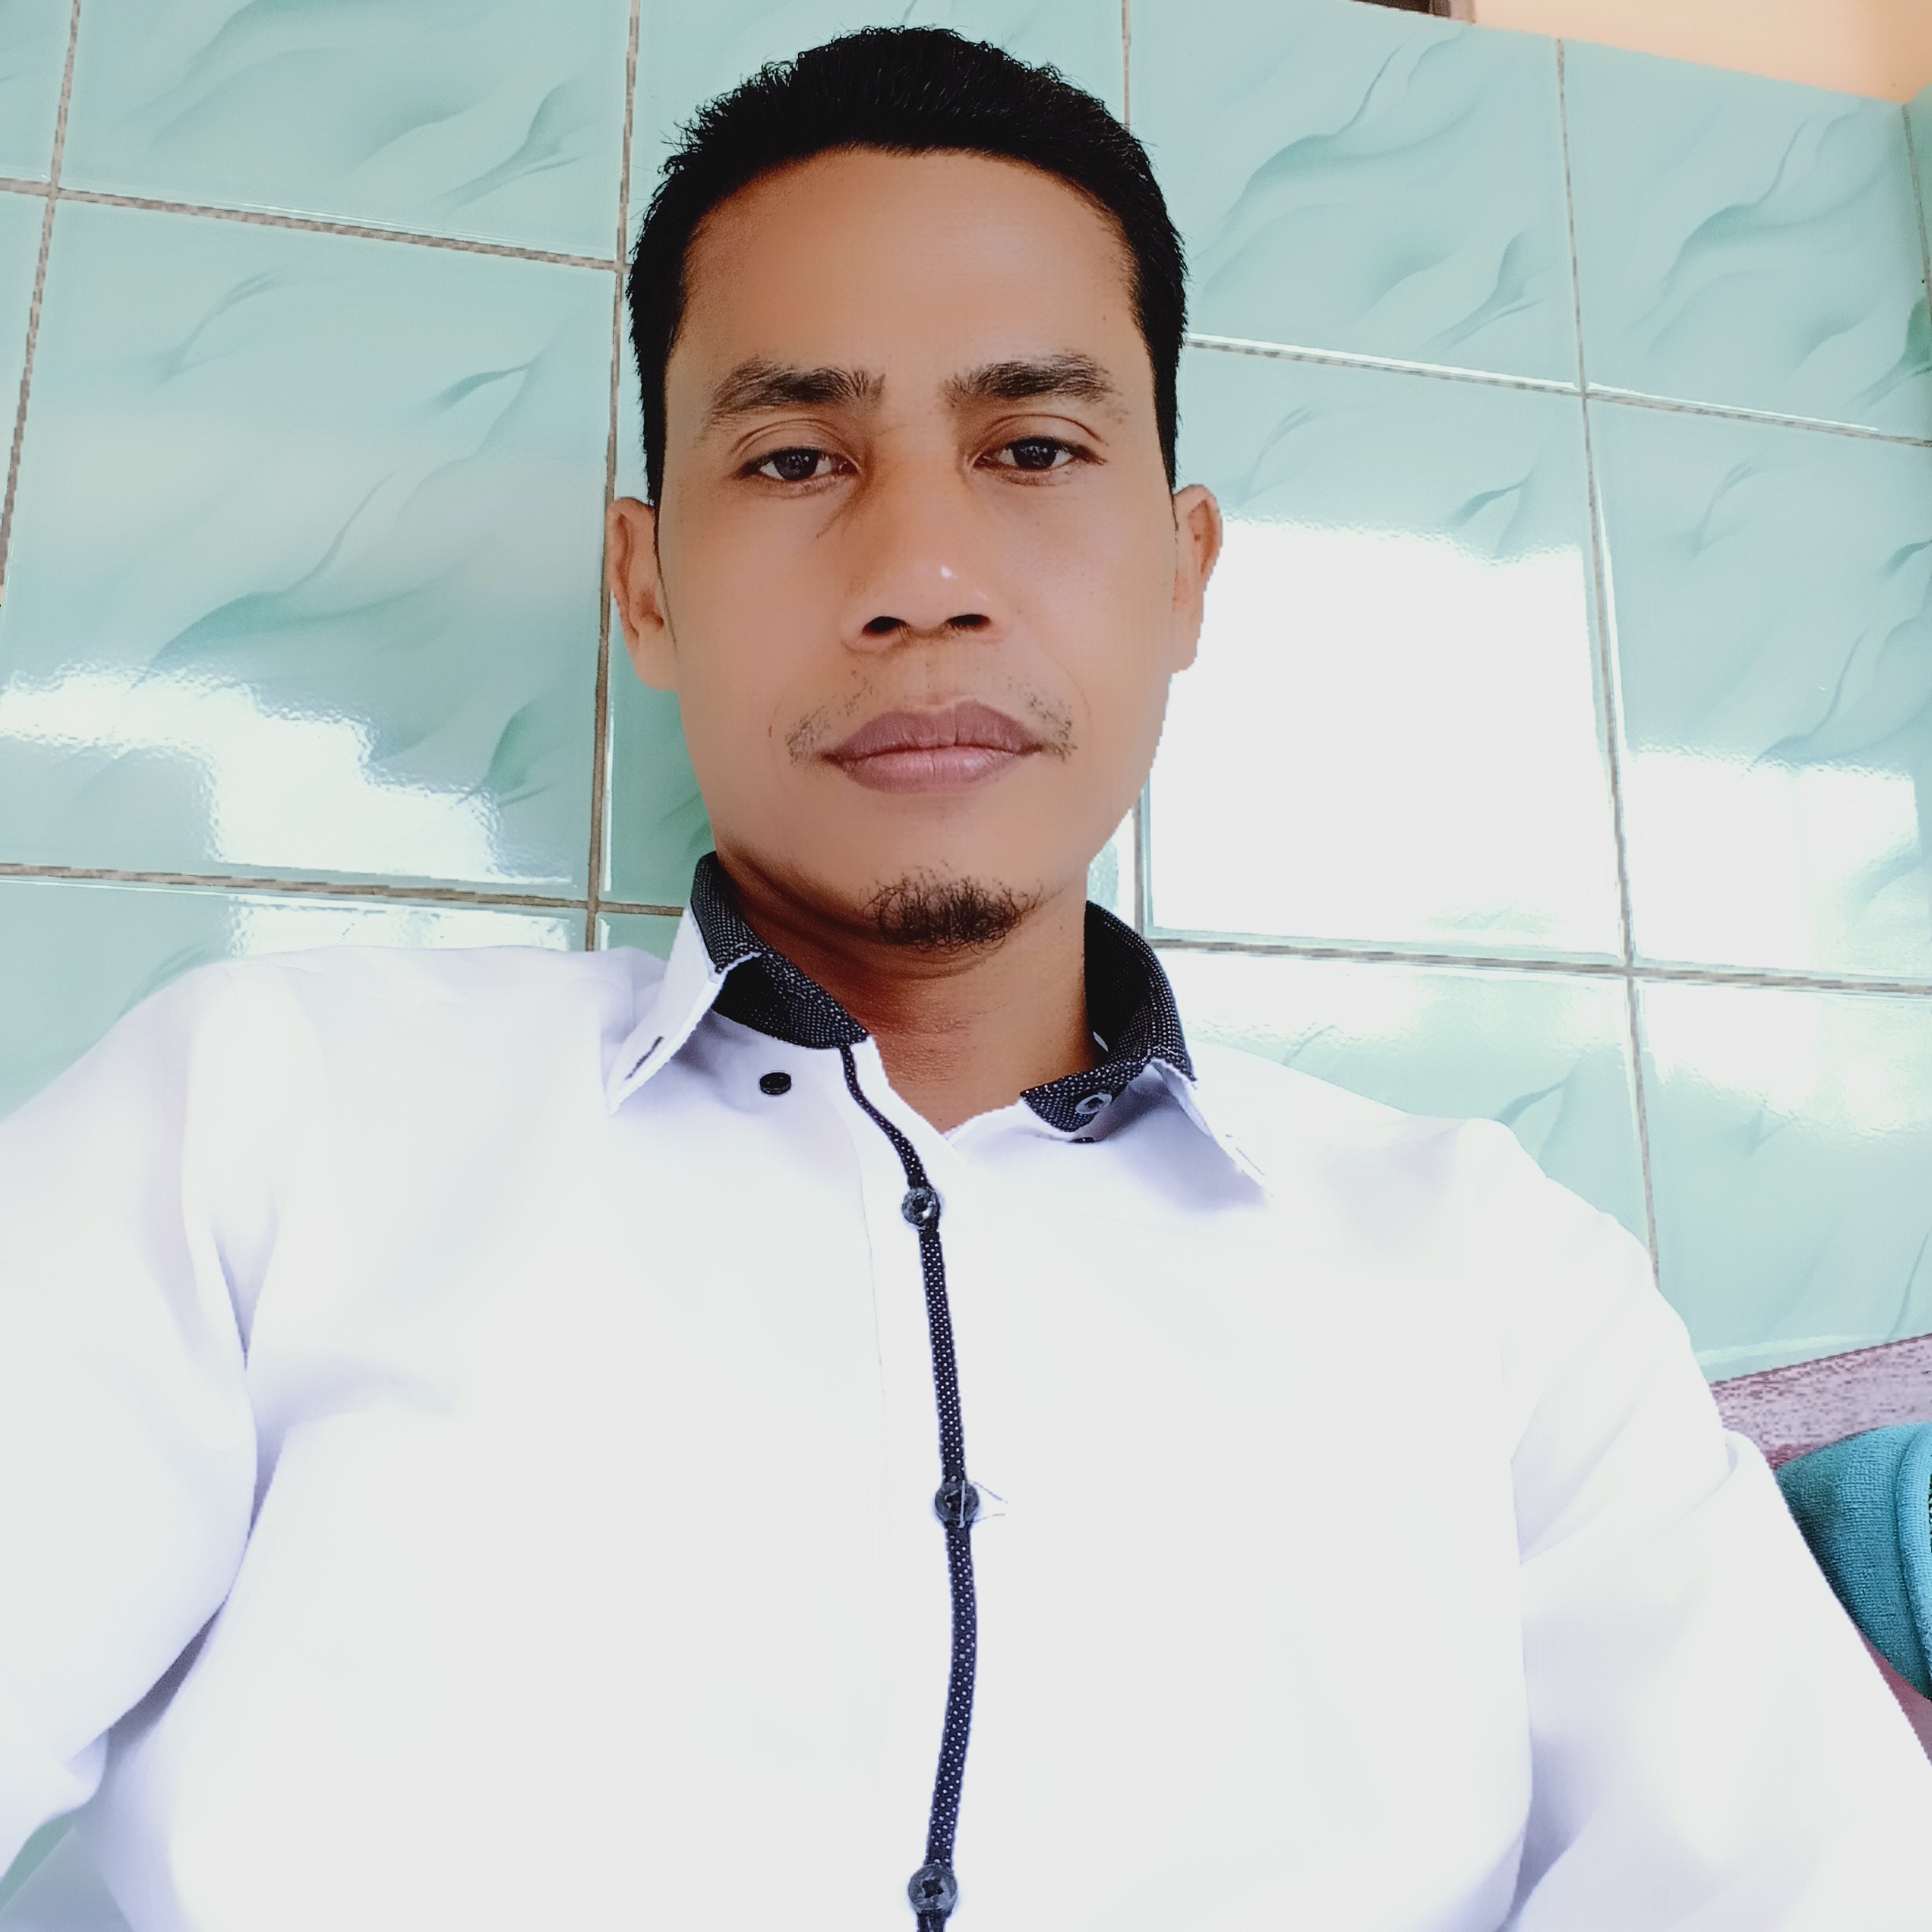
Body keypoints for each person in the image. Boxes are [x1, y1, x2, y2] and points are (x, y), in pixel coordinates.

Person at [1, 28, 1926, 1932]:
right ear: (648, 585)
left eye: (1034, 449)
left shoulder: (1506, 1292)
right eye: (795, 456)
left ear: (1184, 572)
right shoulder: (256, 1132)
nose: (923, 572)